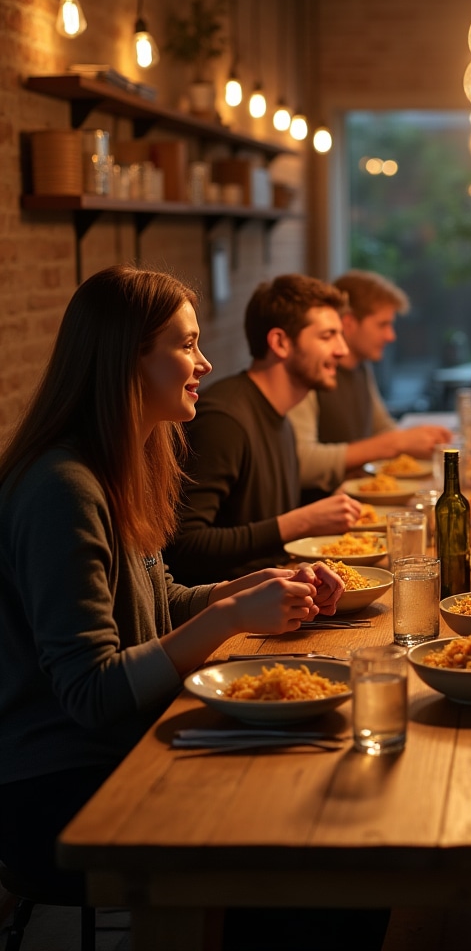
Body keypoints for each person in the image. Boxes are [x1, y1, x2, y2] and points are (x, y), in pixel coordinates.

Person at [0, 265, 346, 906]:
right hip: (62, 787)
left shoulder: (124, 463)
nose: (205, 363)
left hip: (125, 745)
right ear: (125, 360)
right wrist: (231, 616)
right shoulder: (62, 490)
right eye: (186, 345)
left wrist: (252, 587)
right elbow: (91, 692)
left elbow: (159, 606)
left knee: (325, 786)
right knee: (317, 846)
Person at [165, 274, 364, 585]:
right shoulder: (224, 420)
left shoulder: (282, 416)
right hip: (231, 610)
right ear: (280, 343)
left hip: (275, 595)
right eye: (328, 336)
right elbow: (184, 546)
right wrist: (299, 522)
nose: (342, 349)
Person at [288, 270, 452, 501]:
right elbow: (302, 462)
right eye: (382, 325)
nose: (391, 336)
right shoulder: (311, 372)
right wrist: (395, 443)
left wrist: (419, 439)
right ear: (349, 323)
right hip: (325, 509)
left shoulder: (362, 367)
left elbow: (381, 428)